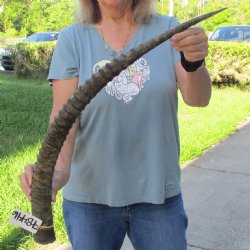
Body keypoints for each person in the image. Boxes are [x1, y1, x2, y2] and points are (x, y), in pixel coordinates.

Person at [20, 0, 211, 249]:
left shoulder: (170, 29)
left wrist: (194, 62)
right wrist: (59, 171)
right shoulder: (72, 38)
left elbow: (198, 99)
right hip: (89, 199)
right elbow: (65, 115)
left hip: (157, 193)